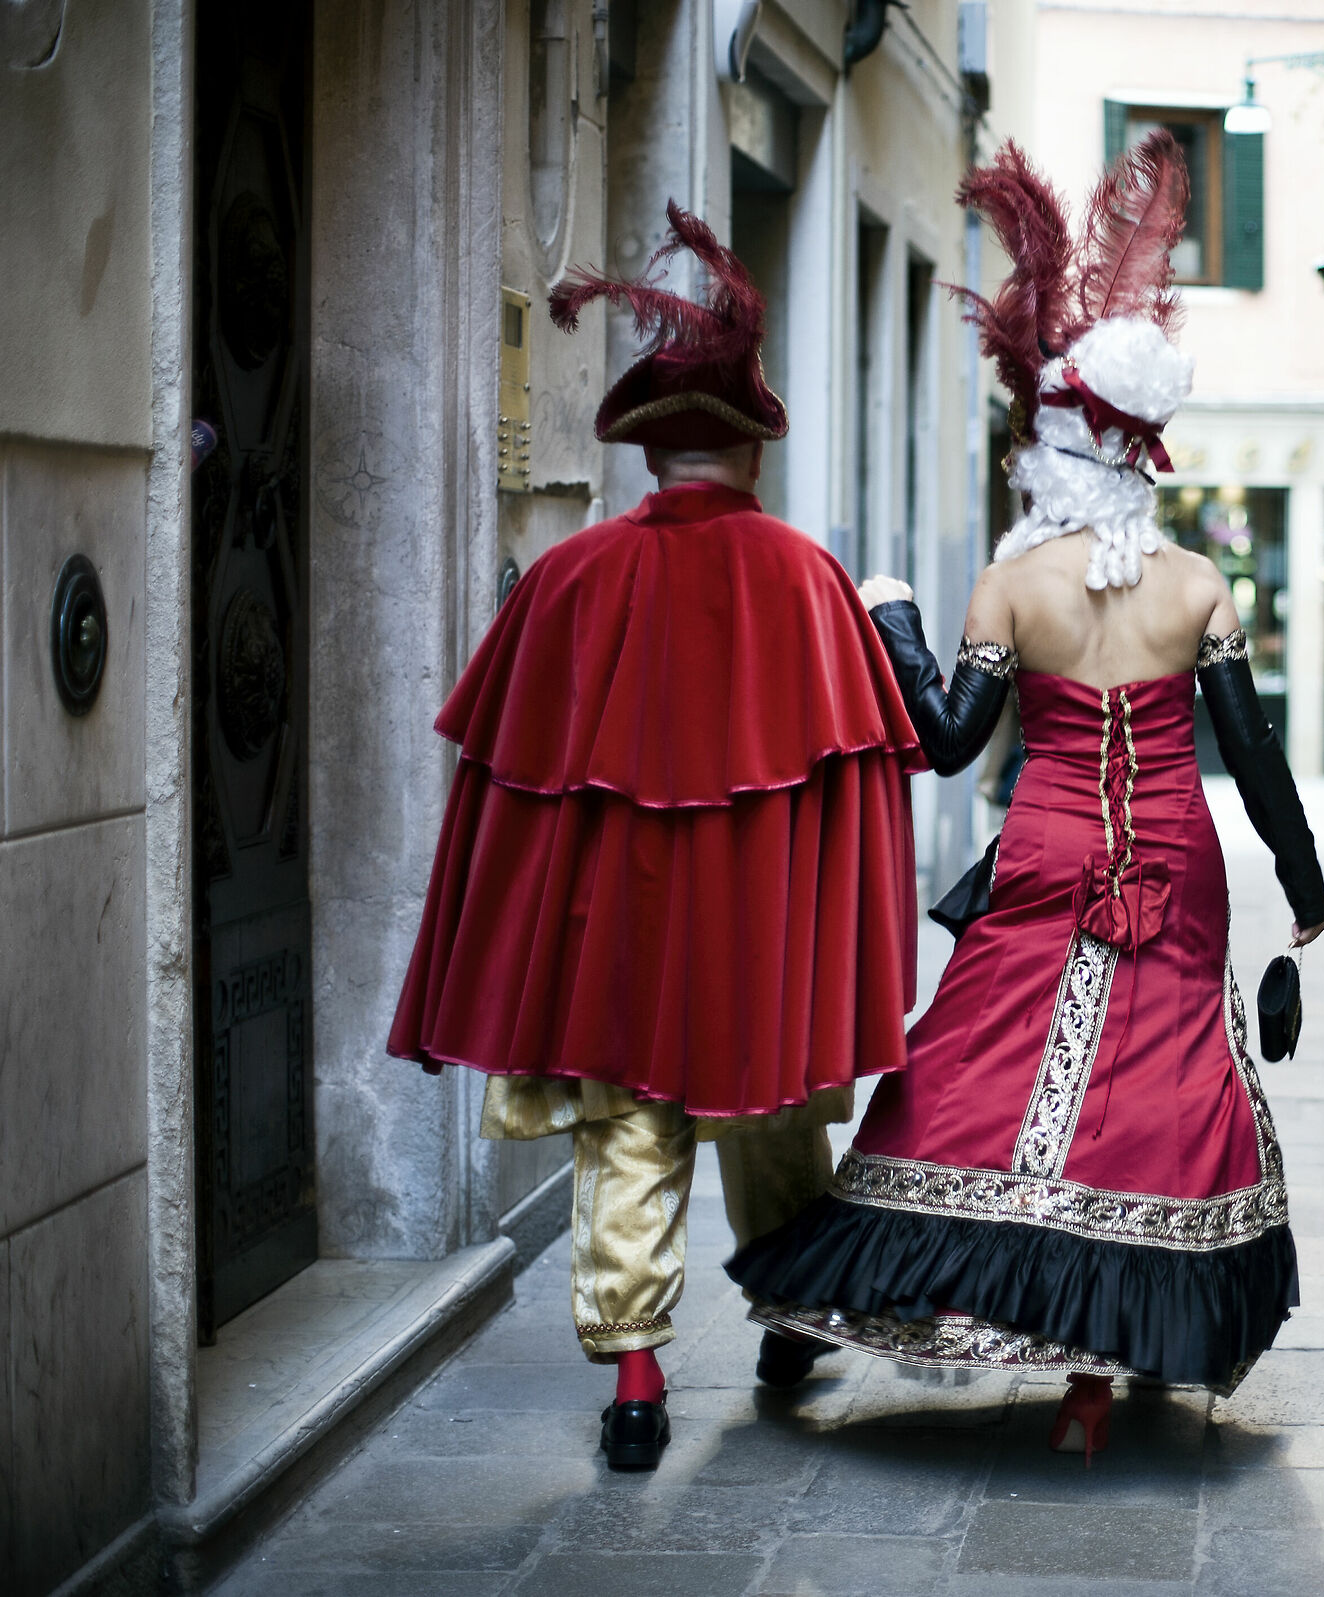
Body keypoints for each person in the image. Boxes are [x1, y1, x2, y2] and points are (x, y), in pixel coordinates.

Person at [727, 135, 1324, 1462]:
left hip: (1047, 853)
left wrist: (888, 620)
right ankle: (1106, 1364)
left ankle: (868, 1300)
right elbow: (1254, 751)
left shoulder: (1012, 588)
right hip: (1174, 860)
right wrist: (1305, 894)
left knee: (979, 1071)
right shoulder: (1196, 589)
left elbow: (946, 742)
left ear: (1057, 446)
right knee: (1164, 1081)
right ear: (1144, 455)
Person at [385, 205, 924, 1471]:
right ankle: (791, 1325)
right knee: (781, 1116)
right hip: (761, 929)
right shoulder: (810, 579)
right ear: (748, 451)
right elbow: (855, 799)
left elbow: (510, 796)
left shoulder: (569, 580)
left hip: (616, 925)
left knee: (627, 1126)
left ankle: (637, 1383)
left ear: (649, 454)